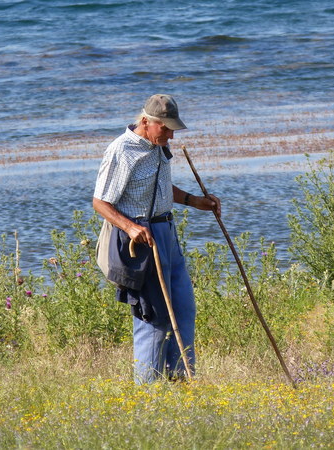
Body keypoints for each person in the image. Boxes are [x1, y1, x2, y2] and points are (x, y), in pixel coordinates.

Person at [93, 93, 221, 383]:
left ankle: (181, 382)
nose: (170, 135)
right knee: (154, 318)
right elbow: (100, 202)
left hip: (167, 235)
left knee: (184, 309)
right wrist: (130, 227)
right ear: (145, 122)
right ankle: (149, 393)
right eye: (165, 128)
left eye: (173, 128)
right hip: (139, 242)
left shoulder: (157, 145)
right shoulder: (121, 150)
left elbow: (160, 186)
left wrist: (194, 200)